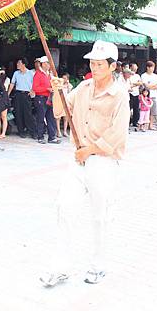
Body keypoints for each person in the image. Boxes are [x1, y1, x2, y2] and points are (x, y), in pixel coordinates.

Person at [40, 40, 129, 288]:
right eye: (92, 62)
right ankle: (61, 267)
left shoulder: (119, 94)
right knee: (64, 208)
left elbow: (117, 133)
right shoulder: (83, 87)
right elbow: (60, 111)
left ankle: (98, 265)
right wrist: (56, 90)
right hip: (78, 162)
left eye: (100, 64)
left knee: (100, 216)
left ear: (112, 66)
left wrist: (89, 150)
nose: (94, 67)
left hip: (103, 162)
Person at [32, 56, 60, 145]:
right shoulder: (38, 74)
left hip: (49, 97)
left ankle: (52, 137)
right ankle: (40, 136)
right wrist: (47, 89)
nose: (49, 65)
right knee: (40, 117)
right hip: (41, 98)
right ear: (43, 64)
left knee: (51, 117)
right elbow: (35, 88)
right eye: (48, 63)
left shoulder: (49, 74)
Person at [8, 58, 35, 139]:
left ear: (23, 64)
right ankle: (21, 131)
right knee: (18, 113)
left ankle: (32, 131)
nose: (17, 65)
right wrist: (8, 94)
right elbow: (12, 84)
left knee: (28, 113)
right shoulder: (16, 73)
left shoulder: (30, 73)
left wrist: (33, 91)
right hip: (18, 94)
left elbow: (34, 84)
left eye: (19, 63)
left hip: (27, 94)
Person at [141, 61, 157, 129]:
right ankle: (144, 124)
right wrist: (153, 86)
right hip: (146, 96)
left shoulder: (155, 76)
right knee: (145, 111)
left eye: (153, 67)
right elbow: (146, 86)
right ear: (147, 67)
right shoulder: (143, 75)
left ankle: (151, 125)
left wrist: (150, 86)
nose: (153, 69)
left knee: (153, 111)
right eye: (151, 67)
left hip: (154, 95)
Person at [56, 73, 73, 138]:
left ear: (68, 79)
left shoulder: (70, 86)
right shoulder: (59, 85)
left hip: (66, 102)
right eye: (63, 78)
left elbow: (70, 93)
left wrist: (68, 85)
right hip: (59, 102)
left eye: (65, 78)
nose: (64, 79)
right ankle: (58, 131)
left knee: (66, 117)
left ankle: (65, 131)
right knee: (58, 117)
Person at [0, 68, 10, 139]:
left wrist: (1, 78)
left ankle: (3, 133)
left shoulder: (7, 79)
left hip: (4, 98)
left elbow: (3, 88)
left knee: (4, 116)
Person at [129, 63, 142, 130]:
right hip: (130, 93)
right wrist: (135, 84)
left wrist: (134, 84)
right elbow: (129, 84)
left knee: (136, 109)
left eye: (136, 67)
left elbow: (140, 83)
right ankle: (128, 122)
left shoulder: (137, 76)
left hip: (136, 93)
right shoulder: (128, 75)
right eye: (134, 67)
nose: (136, 68)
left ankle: (135, 122)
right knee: (129, 108)